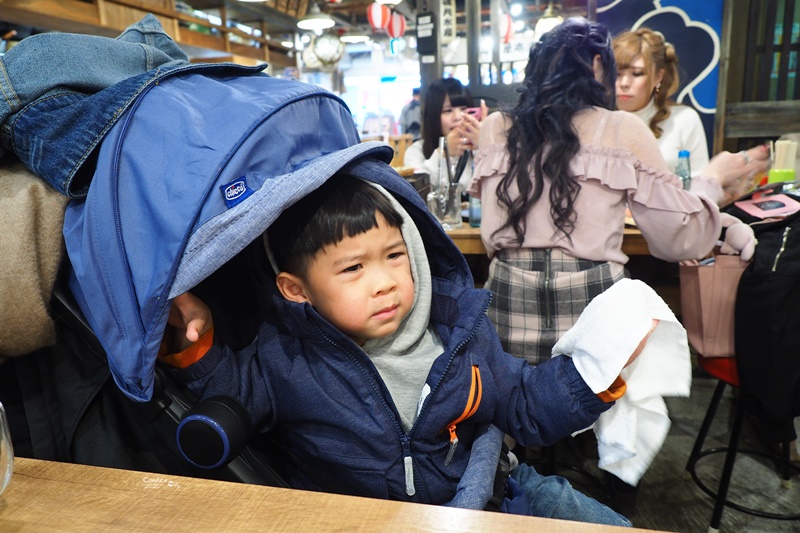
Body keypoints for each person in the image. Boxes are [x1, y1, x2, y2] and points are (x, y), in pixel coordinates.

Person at [160, 173, 660, 526]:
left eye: (394, 256)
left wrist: (593, 373)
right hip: (362, 517)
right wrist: (197, 344)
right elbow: (233, 396)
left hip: (489, 489)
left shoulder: (457, 333)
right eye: (353, 268)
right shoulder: (284, 358)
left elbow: (522, 402)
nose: (384, 283)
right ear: (297, 289)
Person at [469, 16, 764, 513]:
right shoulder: (620, 128)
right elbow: (678, 238)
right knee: (638, 342)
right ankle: (620, 484)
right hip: (591, 331)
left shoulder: (495, 128)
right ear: (600, 65)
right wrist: (711, 183)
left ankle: (504, 473)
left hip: (506, 320)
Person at [612, 28, 768, 204]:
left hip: (666, 222)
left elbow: (699, 190)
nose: (624, 83)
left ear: (658, 76)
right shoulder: (595, 120)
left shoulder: (684, 120)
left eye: (637, 73)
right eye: (617, 74)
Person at [403, 78, 488, 190]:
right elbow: (418, 192)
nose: (458, 117)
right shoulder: (415, 151)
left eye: (463, 109)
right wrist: (443, 152)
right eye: (448, 111)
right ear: (433, 116)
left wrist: (485, 146)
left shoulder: (478, 147)